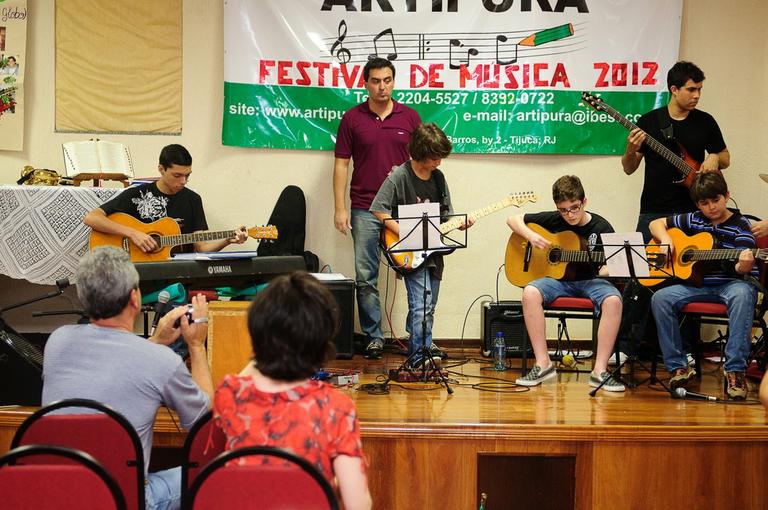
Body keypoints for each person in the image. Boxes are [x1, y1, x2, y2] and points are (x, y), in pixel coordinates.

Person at [42, 246, 214, 510]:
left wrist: (156, 341)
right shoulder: (160, 361)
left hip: (60, 497)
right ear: (135, 298)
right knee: (217, 473)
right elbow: (205, 429)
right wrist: (196, 346)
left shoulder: (57, 341)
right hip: (127, 501)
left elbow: (117, 361)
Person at [213, 272, 371, 510]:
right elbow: (357, 505)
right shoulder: (335, 407)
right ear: (323, 338)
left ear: (256, 331)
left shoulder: (229, 392)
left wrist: (268, 345)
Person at [333, 58, 422, 359]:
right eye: (375, 81)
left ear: (394, 81)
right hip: (364, 208)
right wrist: (339, 208)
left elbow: (422, 163)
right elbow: (341, 164)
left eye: (387, 80)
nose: (382, 86)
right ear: (366, 83)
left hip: (405, 210)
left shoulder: (410, 117)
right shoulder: (352, 118)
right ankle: (373, 337)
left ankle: (417, 336)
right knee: (365, 276)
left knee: (415, 271)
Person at [369, 123, 473, 369]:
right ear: (420, 152)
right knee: (422, 304)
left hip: (433, 250)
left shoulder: (438, 177)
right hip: (409, 248)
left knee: (428, 304)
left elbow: (447, 215)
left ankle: (420, 345)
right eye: (435, 156)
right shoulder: (400, 176)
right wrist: (405, 231)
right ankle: (418, 358)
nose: (439, 162)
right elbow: (378, 209)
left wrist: (460, 224)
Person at [507, 175, 625, 391]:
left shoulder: (602, 227)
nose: (570, 214)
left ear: (584, 202)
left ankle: (599, 371)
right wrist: (531, 236)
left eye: (575, 208)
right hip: (559, 282)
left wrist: (610, 268)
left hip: (592, 281)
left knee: (614, 300)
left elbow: (614, 265)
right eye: (563, 209)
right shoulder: (555, 219)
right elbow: (513, 219)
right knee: (530, 292)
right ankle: (543, 364)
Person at [650, 172, 758, 400]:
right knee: (660, 298)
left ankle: (735, 370)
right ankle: (678, 366)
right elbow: (655, 223)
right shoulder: (694, 219)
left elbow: (742, 269)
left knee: (742, 293)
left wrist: (743, 265)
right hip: (697, 286)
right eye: (704, 203)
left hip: (731, 285)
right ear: (697, 204)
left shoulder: (741, 226)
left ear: (726, 196)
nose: (710, 208)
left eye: (715, 200)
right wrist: (667, 240)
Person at [622, 61, 730, 242]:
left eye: (700, 89)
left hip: (694, 209)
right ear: (674, 89)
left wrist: (714, 157)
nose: (697, 95)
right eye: (691, 90)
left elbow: (726, 159)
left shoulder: (706, 121)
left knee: (692, 267)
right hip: (654, 209)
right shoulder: (649, 121)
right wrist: (630, 150)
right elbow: (629, 168)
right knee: (648, 266)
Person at [84, 144, 247, 254]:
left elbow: (201, 247)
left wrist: (227, 240)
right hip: (139, 272)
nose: (183, 181)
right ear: (161, 169)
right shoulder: (137, 194)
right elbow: (92, 218)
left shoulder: (193, 199)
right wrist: (133, 233)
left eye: (187, 175)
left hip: (179, 273)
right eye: (177, 175)